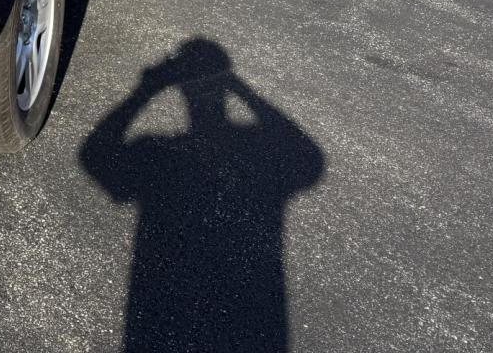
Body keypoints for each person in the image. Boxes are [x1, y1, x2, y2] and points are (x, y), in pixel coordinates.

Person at [81, 39, 324, 353]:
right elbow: (307, 159)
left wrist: (145, 91)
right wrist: (237, 86)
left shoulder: (156, 152)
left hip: (163, 305)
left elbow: (95, 157)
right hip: (253, 312)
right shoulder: (251, 147)